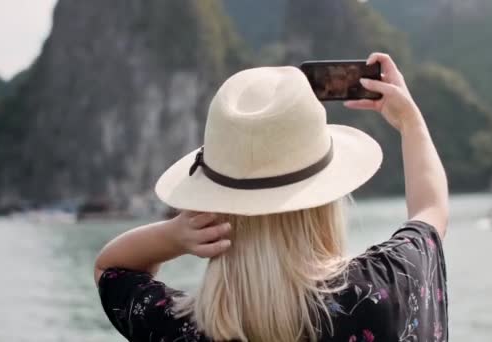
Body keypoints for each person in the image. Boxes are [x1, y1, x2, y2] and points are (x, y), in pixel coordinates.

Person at [94, 53, 449, 342]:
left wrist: (174, 236)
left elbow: (110, 269)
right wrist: (410, 121)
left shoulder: (179, 329)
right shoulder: (384, 289)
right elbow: (431, 210)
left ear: (216, 204)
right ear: (325, 198)